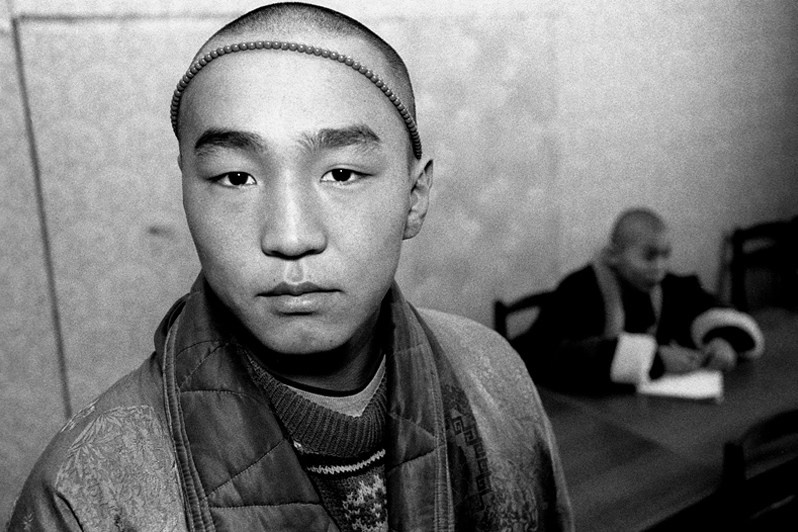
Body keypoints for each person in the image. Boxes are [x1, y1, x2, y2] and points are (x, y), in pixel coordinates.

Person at [8, 3, 572, 531]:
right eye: (236, 178)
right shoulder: (85, 497)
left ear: (415, 195)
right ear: (184, 193)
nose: (290, 236)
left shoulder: (495, 376)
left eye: (342, 174)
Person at [513, 207, 764, 395]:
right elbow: (547, 355)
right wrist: (654, 360)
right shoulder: (579, 289)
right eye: (649, 256)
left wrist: (723, 341)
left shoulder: (668, 286)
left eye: (666, 255)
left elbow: (716, 311)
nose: (660, 267)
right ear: (614, 256)